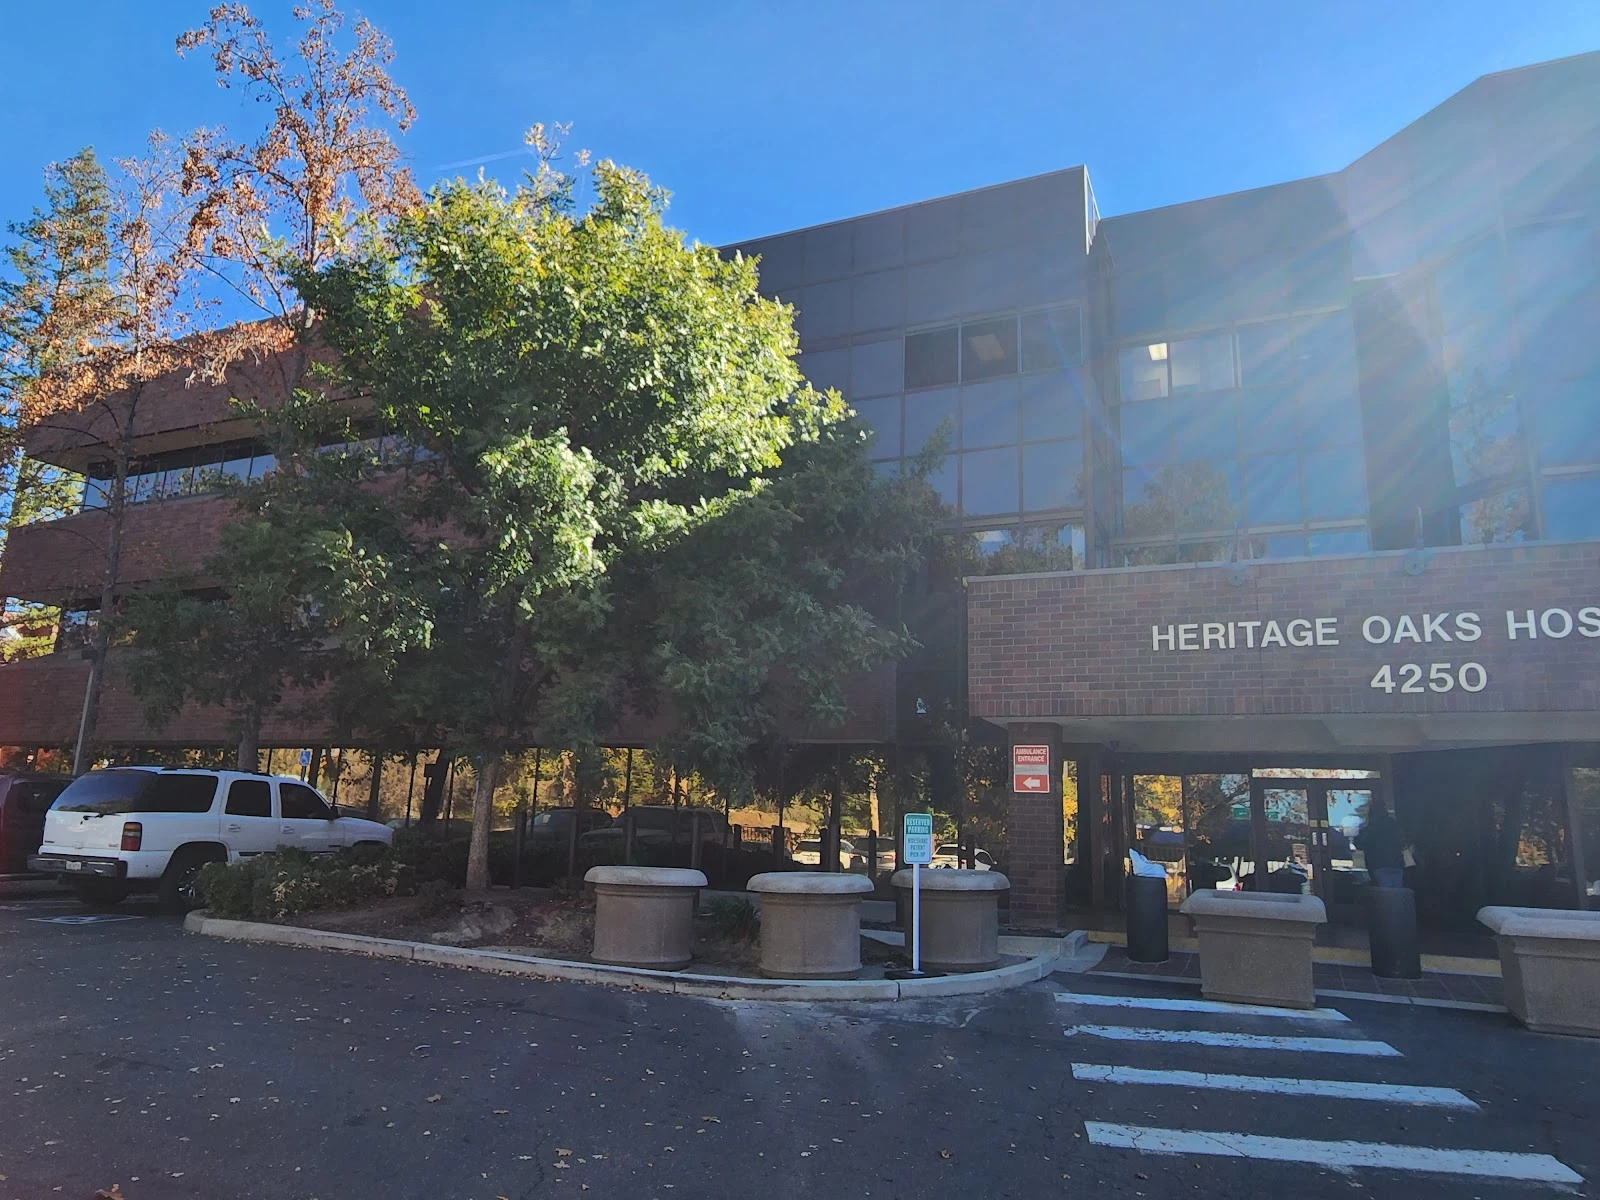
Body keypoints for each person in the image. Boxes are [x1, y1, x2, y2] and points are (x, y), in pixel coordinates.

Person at [1360, 801, 1406, 888]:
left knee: (1385, 892)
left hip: (1379, 865)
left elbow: (1359, 842)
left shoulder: (1371, 828)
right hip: (1396, 865)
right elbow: (1403, 843)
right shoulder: (1394, 825)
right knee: (1397, 891)